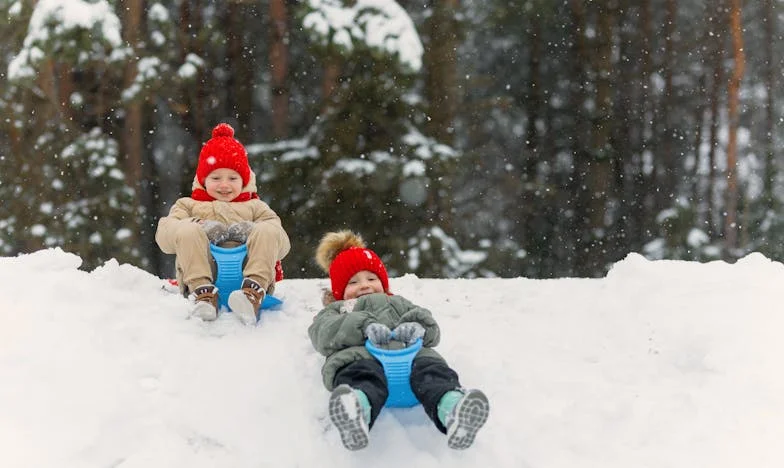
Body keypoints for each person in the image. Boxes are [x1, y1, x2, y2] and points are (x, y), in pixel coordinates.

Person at [308, 230, 489, 451]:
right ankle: (355, 412)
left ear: (383, 282)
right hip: (362, 359)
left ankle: (454, 410)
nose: (364, 285)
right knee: (359, 376)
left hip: (411, 360)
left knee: (434, 374)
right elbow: (322, 333)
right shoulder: (338, 309)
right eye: (353, 282)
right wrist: (362, 325)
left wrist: (417, 327)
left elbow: (430, 328)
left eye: (372, 278)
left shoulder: (398, 303)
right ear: (340, 291)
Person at [155, 123, 290, 325]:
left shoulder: (255, 207)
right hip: (204, 271)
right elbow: (164, 237)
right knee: (187, 230)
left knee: (268, 230)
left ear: (244, 180)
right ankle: (203, 296)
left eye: (233, 178)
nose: (224, 185)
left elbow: (282, 243)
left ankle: (251, 294)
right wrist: (198, 225)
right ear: (203, 180)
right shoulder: (188, 205)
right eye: (216, 177)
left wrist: (252, 230)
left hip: (248, 272)